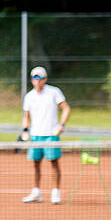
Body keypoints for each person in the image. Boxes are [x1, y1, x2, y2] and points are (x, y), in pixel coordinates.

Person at [20, 66, 71, 205]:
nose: (38, 81)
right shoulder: (29, 96)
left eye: (40, 78)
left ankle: (56, 193)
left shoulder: (54, 92)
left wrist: (62, 125)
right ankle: (36, 193)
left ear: (45, 79)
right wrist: (25, 130)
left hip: (51, 134)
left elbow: (66, 108)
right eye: (35, 78)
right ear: (32, 80)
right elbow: (26, 116)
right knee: (35, 164)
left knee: (53, 163)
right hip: (36, 135)